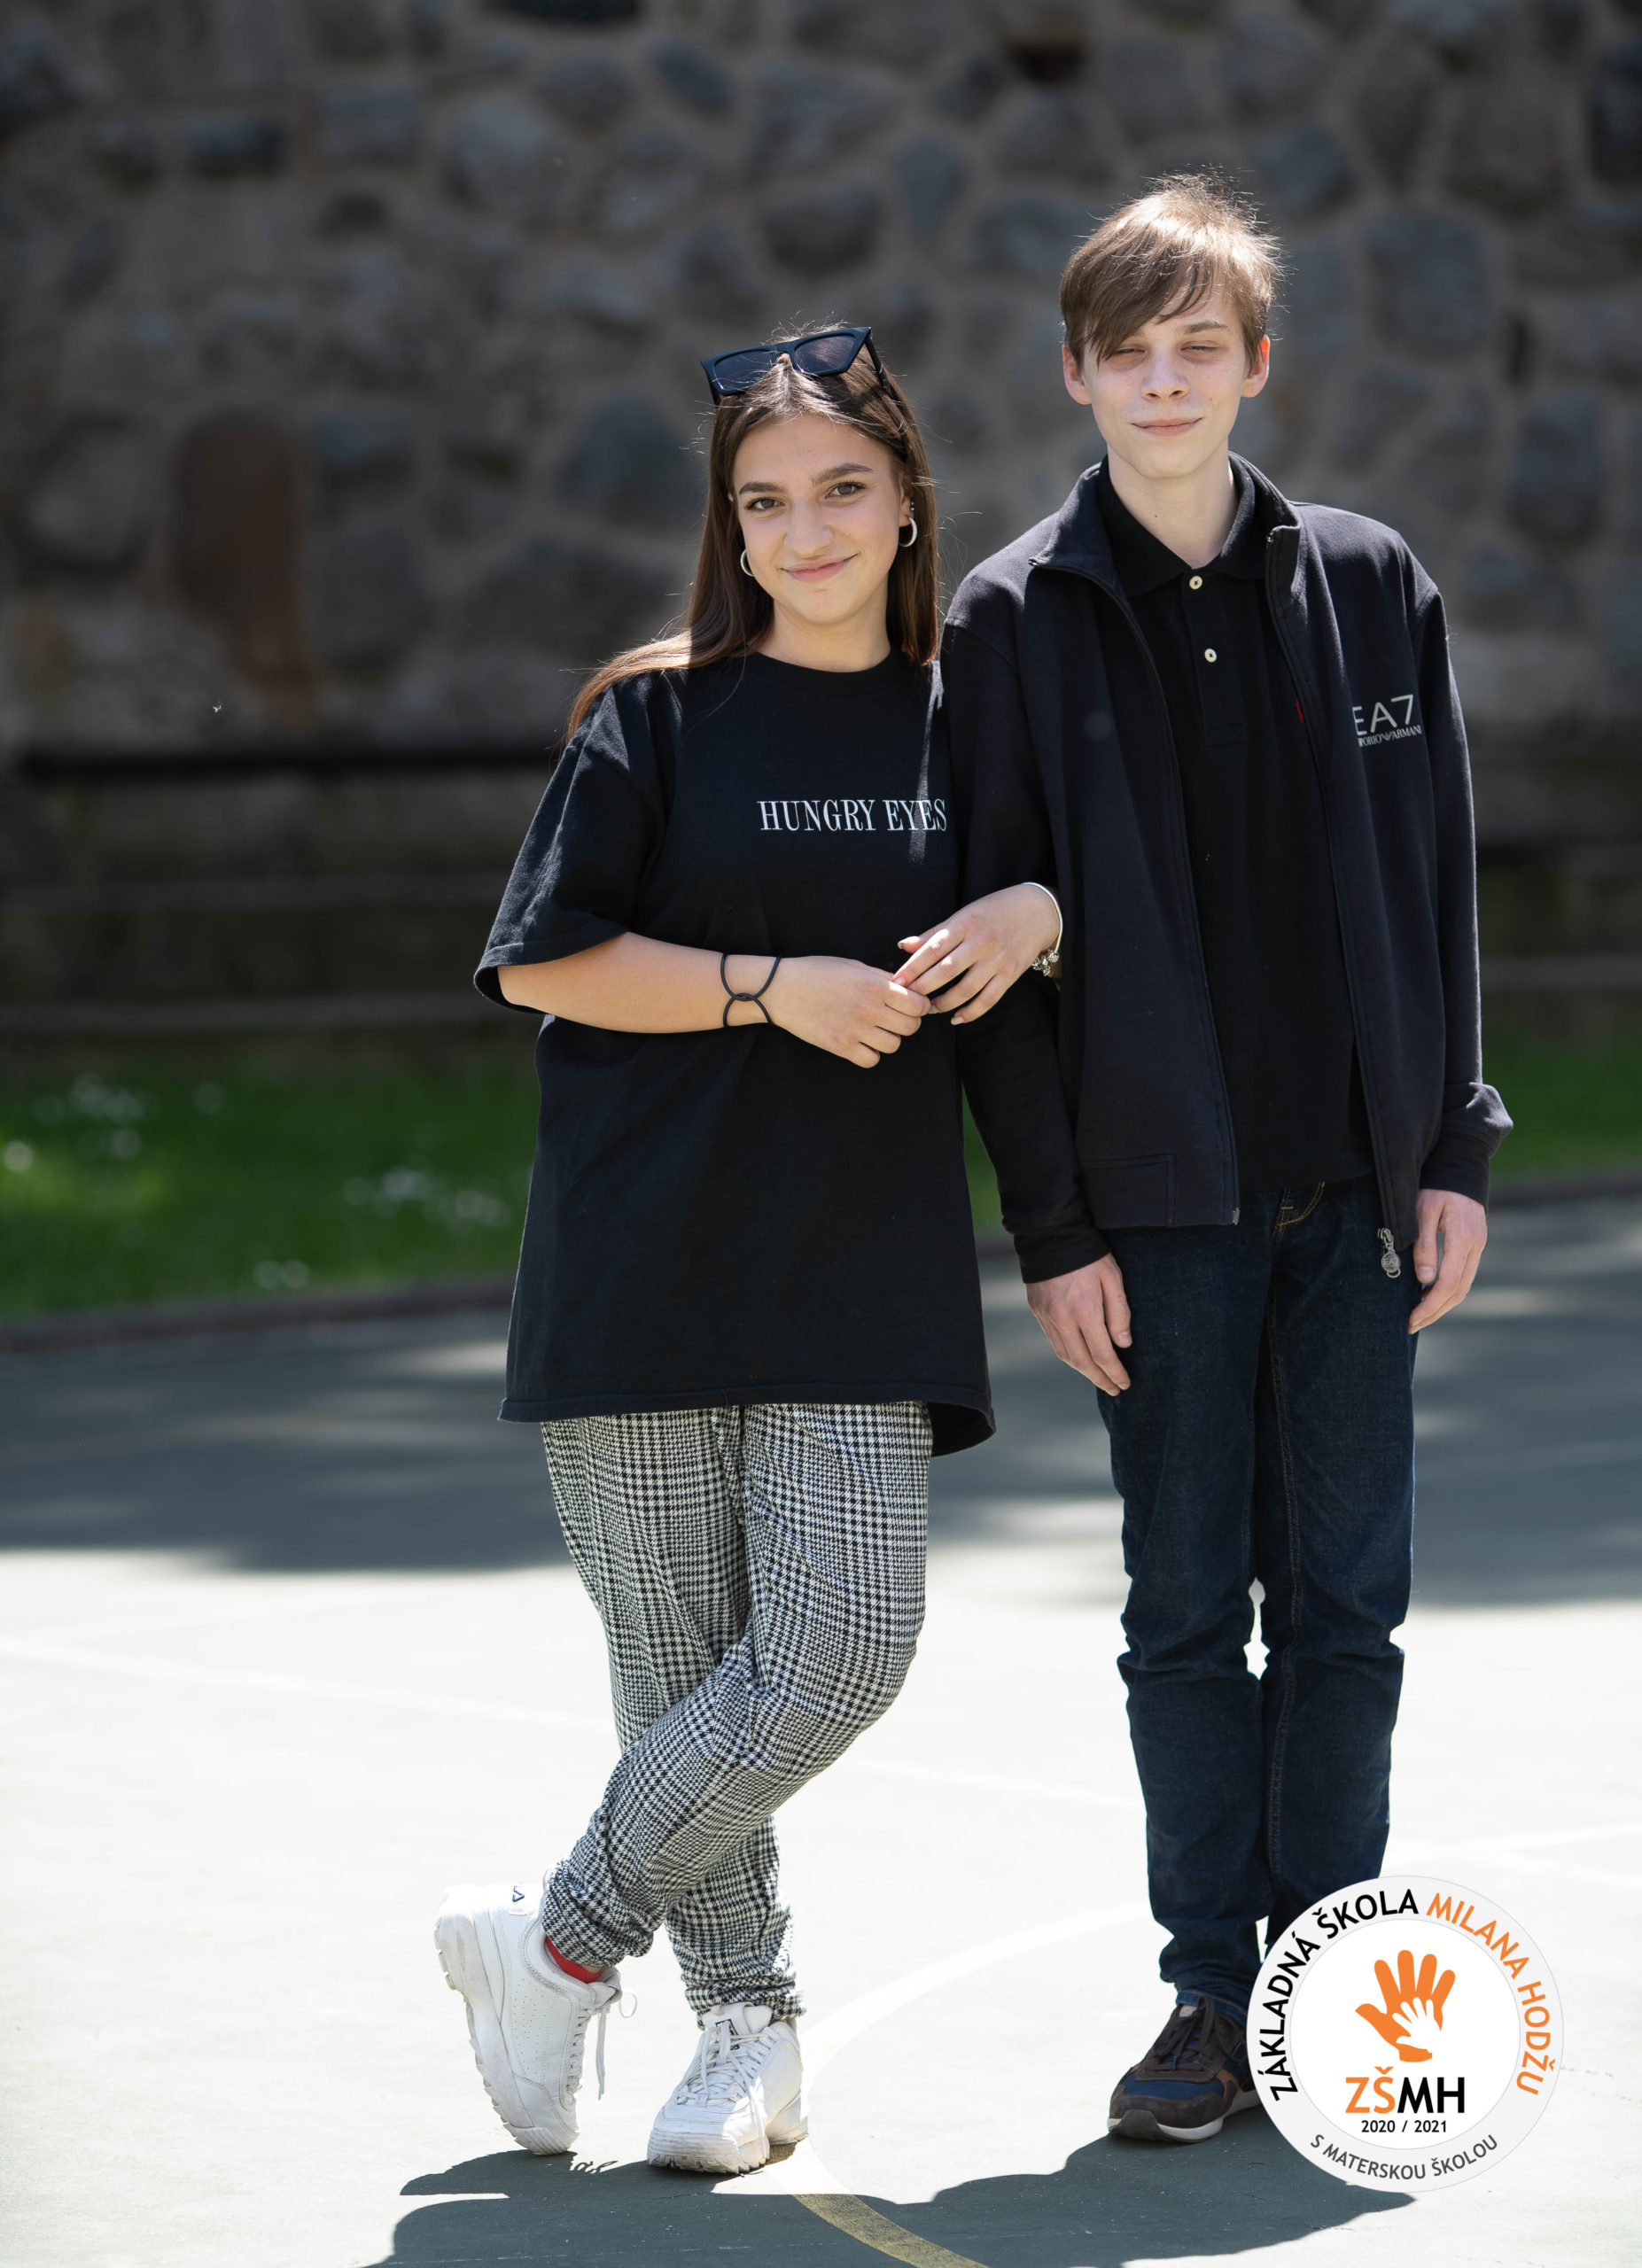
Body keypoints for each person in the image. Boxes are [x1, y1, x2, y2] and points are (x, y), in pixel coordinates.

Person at [907, 175, 1512, 2146]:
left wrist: (1455, 1143)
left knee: (1347, 1606)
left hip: (1358, 1201)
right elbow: (989, 961)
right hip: (1153, 1217)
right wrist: (1052, 1227)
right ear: (1073, 372)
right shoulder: (1010, 619)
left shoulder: (1372, 580)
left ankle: (1327, 1977)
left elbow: (1436, 883)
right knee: (1183, 1609)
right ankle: (1205, 1987)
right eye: (1128, 351)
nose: (1163, 382)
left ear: (1255, 364)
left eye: (1199, 347)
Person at [434, 328, 1060, 2179]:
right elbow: (544, 960)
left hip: (862, 1264)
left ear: (908, 503)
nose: (807, 531)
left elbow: (1066, 900)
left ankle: (552, 1941)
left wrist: (1039, 904)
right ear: (728, 525)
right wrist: (768, 988)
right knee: (683, 1666)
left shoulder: (974, 721)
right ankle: (746, 2030)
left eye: (843, 489)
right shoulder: (651, 715)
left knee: (839, 1650)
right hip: (641, 1257)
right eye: (764, 501)